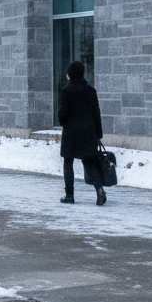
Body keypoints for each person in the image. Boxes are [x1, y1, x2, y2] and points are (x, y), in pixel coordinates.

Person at [57, 60, 106, 206]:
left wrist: (65, 123)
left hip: (71, 131)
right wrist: (98, 135)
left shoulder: (65, 91)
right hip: (88, 131)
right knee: (89, 161)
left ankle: (69, 195)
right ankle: (99, 190)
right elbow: (96, 114)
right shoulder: (91, 91)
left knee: (68, 161)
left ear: (70, 74)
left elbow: (62, 114)